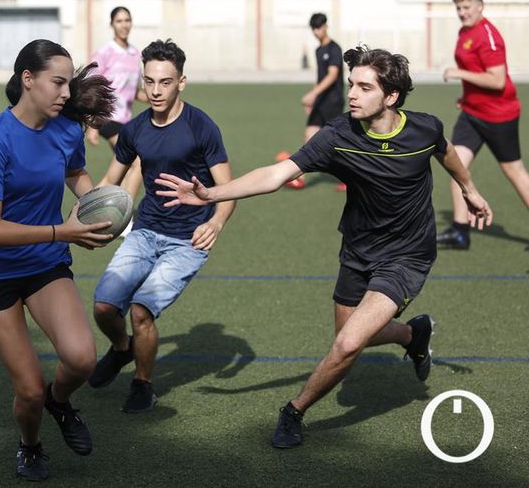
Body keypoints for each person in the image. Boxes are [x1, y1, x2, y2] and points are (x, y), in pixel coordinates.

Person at [155, 46, 493, 448]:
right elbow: (277, 174)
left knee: (349, 343)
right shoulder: (337, 136)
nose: (352, 94)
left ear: (391, 97)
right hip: (358, 250)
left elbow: (447, 152)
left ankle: (294, 411)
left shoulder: (424, 129)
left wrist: (469, 189)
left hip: (408, 254)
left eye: (364, 87)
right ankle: (411, 336)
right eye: (352, 84)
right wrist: (211, 195)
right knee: (350, 335)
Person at [0, 39, 115, 481]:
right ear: (28, 79)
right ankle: (30, 446)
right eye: (57, 82)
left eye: (69, 83)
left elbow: (74, 172)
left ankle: (60, 402)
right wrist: (62, 231)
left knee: (82, 358)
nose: (66, 92)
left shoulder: (66, 129)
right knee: (27, 390)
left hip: (44, 263)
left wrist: (97, 206)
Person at [89, 39, 236, 413]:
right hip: (145, 230)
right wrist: (84, 218)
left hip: (187, 240)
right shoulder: (135, 128)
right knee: (105, 307)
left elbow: (228, 188)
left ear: (181, 82)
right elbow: (111, 178)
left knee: (141, 311)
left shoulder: (202, 126)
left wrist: (217, 222)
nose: (155, 90)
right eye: (150, 81)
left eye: (165, 82)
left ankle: (142, 384)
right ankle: (122, 349)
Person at [437, 0, 529, 250]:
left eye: (467, 7)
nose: (462, 12)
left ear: (480, 6)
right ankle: (459, 232)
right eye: (458, 7)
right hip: (472, 114)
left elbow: (497, 80)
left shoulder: (488, 36)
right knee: (456, 167)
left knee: (514, 172)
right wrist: (466, 95)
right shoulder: (464, 32)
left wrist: (458, 73)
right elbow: (477, 76)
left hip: (499, 116)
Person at [87, 6, 149, 235]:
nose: (124, 24)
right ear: (112, 24)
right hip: (107, 118)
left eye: (127, 20)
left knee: (123, 167)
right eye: (119, 20)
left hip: (126, 120)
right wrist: (91, 125)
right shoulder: (104, 52)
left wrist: (156, 99)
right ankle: (124, 217)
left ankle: (94, 207)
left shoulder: (135, 54)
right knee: (138, 162)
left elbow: (131, 92)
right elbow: (90, 88)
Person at [276, 12, 346, 191]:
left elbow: (332, 75)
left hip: (333, 101)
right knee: (309, 137)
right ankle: (299, 178)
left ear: (326, 27)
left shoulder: (334, 49)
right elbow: (320, 77)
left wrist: (313, 93)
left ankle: (351, 178)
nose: (316, 32)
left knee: (337, 142)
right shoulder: (318, 50)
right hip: (321, 101)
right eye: (313, 28)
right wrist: (313, 99)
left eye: (319, 28)